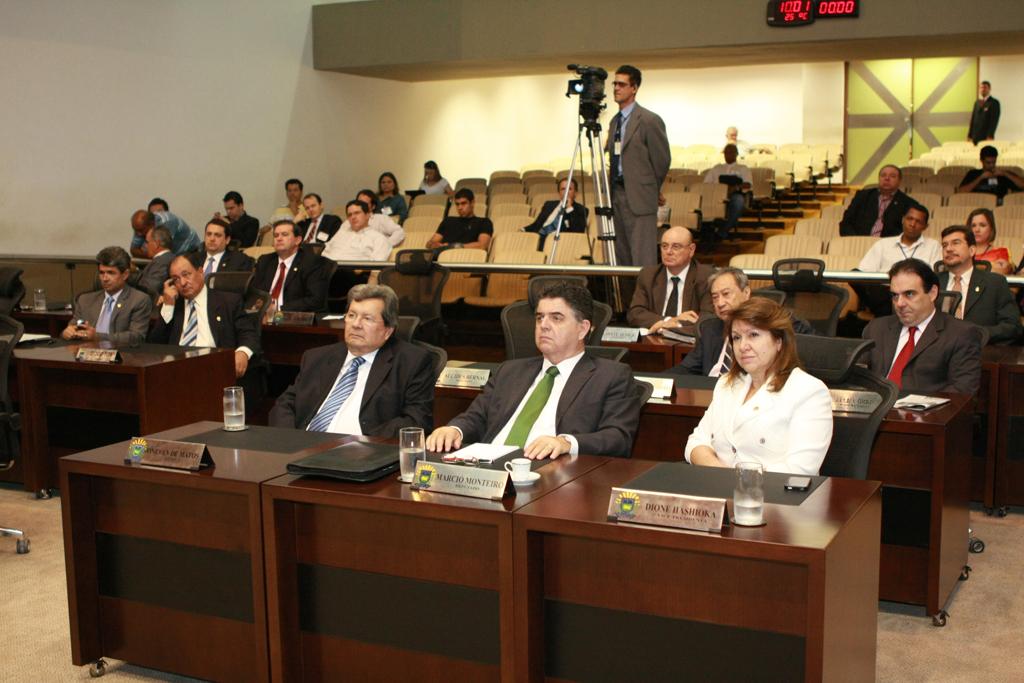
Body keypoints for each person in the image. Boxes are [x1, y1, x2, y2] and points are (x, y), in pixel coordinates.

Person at [426, 283, 642, 459]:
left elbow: (618, 437)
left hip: (550, 474)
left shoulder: (611, 375)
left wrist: (565, 442)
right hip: (487, 467)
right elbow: (477, 416)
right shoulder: (510, 371)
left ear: (583, 329)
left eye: (556, 318)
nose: (544, 325)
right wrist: (455, 429)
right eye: (540, 317)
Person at [684, 297, 833, 476]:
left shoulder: (809, 392)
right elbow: (696, 443)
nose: (743, 346)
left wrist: (734, 483)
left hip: (775, 500)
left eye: (753, 335)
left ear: (779, 341)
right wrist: (722, 478)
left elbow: (799, 470)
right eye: (736, 338)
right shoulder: (727, 384)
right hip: (718, 493)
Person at [270, 284, 435, 436]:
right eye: (351, 315)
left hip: (361, 454)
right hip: (302, 447)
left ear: (388, 330)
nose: (356, 324)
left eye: (367, 318)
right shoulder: (317, 357)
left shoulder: (412, 362)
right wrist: (290, 440)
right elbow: (285, 404)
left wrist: (364, 443)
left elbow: (416, 421)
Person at [148, 253, 262, 403]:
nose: (182, 282)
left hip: (215, 370)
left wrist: (242, 353)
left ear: (201, 271)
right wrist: (168, 307)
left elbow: (248, 333)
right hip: (179, 372)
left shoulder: (228, 301)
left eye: (186, 274)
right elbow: (154, 346)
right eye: (175, 279)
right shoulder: (173, 306)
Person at [862, 259, 982, 395]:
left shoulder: (961, 334)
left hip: (925, 414)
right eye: (895, 295)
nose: (899, 303)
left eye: (909, 294)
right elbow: (857, 376)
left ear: (932, 293)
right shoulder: (876, 328)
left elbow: (962, 391)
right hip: (875, 411)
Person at [668, 267, 816, 376]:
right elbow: (686, 369)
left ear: (746, 293)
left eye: (726, 294)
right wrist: (655, 381)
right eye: (715, 297)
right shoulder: (709, 328)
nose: (720, 303)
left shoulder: (774, 323)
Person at [605, 64, 671, 266]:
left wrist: (651, 189)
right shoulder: (615, 121)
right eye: (615, 83)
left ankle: (646, 299)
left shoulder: (649, 120)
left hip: (640, 197)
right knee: (621, 258)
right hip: (617, 194)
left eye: (622, 84)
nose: (616, 88)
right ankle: (626, 299)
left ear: (634, 88)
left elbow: (661, 160)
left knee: (642, 259)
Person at [937, 225, 1021, 345]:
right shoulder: (933, 283)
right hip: (938, 354)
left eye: (956, 243)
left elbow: (1012, 327)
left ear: (972, 250)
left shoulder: (995, 283)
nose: (948, 249)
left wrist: (980, 334)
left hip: (981, 353)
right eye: (944, 245)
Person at [626, 226, 713, 333]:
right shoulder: (649, 275)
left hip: (688, 343)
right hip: (655, 340)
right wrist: (669, 320)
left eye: (676, 247)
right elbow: (635, 314)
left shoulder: (705, 276)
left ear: (691, 250)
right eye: (664, 246)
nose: (668, 251)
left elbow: (708, 319)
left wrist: (675, 325)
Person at [62, 246, 152, 345]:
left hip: (122, 356)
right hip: (88, 355)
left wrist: (97, 336)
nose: (105, 278)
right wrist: (67, 332)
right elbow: (74, 327)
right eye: (101, 273)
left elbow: (136, 337)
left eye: (111, 273)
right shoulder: (85, 300)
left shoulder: (138, 300)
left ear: (125, 274)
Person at [252, 219, 331, 315]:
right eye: (276, 235)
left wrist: (278, 308)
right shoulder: (265, 261)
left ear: (297, 240)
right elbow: (255, 292)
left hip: (293, 317)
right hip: (262, 316)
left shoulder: (312, 262)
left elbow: (315, 300)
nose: (279, 238)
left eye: (284, 234)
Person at [857, 204, 941, 273]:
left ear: (925, 227)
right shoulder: (883, 244)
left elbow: (936, 276)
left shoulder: (933, 246)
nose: (912, 224)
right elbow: (865, 271)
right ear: (903, 220)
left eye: (918, 222)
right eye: (909, 219)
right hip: (884, 289)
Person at [839, 165, 913, 237]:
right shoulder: (863, 196)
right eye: (883, 175)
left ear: (899, 181)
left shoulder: (907, 203)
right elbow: (846, 223)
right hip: (858, 243)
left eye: (892, 176)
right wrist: (855, 241)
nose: (887, 178)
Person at [522, 177, 588, 249]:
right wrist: (523, 230)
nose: (566, 192)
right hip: (537, 238)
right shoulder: (549, 205)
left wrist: (569, 208)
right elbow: (537, 224)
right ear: (559, 193)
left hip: (556, 242)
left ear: (576, 193)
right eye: (563, 189)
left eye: (569, 189)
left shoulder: (582, 210)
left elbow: (577, 232)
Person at [703, 143, 752, 240]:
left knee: (738, 201)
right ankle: (705, 231)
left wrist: (735, 187)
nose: (728, 154)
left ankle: (721, 232)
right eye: (726, 152)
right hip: (716, 195)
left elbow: (748, 184)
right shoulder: (716, 168)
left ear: (736, 154)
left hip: (735, 194)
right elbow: (706, 184)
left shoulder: (743, 168)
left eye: (731, 152)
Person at [322, 200, 392, 262]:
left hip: (350, 272)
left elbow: (376, 265)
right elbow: (325, 248)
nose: (353, 217)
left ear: (367, 215)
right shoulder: (342, 232)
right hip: (325, 268)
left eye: (357, 213)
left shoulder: (378, 238)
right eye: (350, 215)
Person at [426, 188, 493, 252]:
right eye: (457, 204)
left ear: (472, 203)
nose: (460, 207)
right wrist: (433, 245)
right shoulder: (448, 221)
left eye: (463, 203)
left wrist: (452, 246)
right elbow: (430, 243)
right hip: (441, 259)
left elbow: (482, 245)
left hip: (465, 259)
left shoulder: (484, 222)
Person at [129, 208, 200, 258]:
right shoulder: (140, 227)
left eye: (141, 230)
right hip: (173, 255)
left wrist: (148, 254)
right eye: (136, 230)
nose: (138, 234)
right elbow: (133, 250)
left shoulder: (167, 222)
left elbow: (164, 253)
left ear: (151, 224)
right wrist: (150, 254)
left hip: (190, 249)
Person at [957, 146, 1022, 200]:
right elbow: (961, 192)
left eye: (994, 162)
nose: (991, 165)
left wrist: (1006, 174)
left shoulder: (1003, 174)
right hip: (977, 203)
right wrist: (980, 178)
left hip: (998, 205)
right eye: (988, 163)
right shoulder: (973, 173)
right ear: (981, 160)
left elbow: (1022, 185)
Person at [967, 208, 1012, 275]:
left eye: (982, 225)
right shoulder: (962, 251)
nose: (977, 230)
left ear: (991, 229)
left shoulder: (1001, 252)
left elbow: (1000, 273)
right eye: (973, 226)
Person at [134, 225, 175, 297]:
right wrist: (135, 270)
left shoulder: (162, 261)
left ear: (156, 244)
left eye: (147, 242)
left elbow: (150, 288)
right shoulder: (164, 259)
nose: (145, 246)